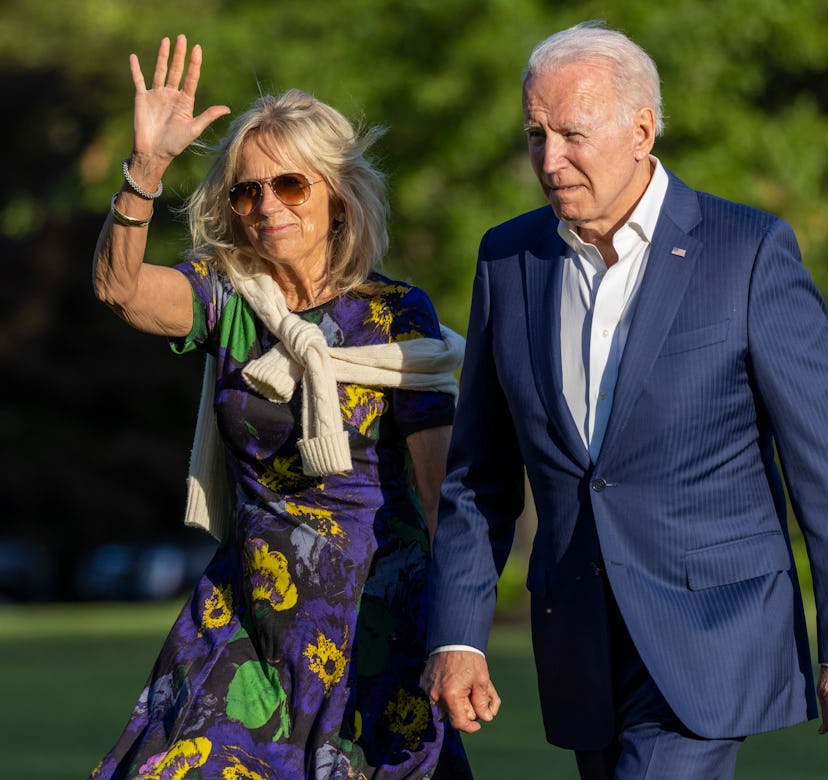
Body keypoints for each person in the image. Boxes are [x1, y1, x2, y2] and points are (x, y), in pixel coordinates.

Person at [421, 20, 828, 780]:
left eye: (572, 133)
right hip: (579, 640)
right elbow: (480, 476)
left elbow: (823, 467)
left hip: (712, 631)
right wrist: (460, 636)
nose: (549, 159)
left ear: (642, 129)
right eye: (535, 134)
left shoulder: (748, 252)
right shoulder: (508, 259)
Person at [88, 35, 473, 780]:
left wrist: (459, 637)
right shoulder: (229, 301)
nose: (267, 205)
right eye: (246, 191)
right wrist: (147, 168)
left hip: (371, 621)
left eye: (290, 185)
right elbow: (121, 290)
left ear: (336, 192)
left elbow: (440, 493)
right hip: (245, 621)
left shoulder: (396, 317)